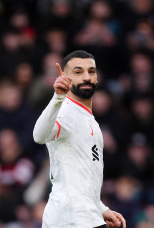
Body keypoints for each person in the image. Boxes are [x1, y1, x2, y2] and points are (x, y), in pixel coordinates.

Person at [33, 50, 126, 228]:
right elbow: (39, 136)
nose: (86, 77)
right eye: (78, 72)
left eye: (91, 71)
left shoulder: (89, 119)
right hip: (71, 219)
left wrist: (101, 208)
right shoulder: (66, 111)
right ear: (65, 77)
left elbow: (83, 178)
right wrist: (58, 96)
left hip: (83, 217)